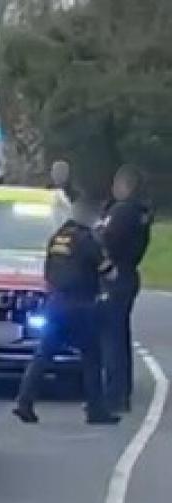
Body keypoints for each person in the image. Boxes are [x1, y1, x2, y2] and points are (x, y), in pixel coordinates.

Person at [13, 208, 120, 425]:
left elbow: (47, 272)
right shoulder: (88, 240)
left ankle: (24, 401)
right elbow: (109, 272)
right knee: (92, 357)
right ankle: (96, 410)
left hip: (55, 303)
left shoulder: (56, 239)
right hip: (81, 305)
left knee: (43, 354)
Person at [97, 164, 153, 413]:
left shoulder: (122, 212)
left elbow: (106, 239)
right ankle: (121, 392)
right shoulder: (141, 213)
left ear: (125, 186)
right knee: (120, 336)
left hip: (115, 276)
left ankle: (114, 394)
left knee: (111, 339)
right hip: (129, 275)